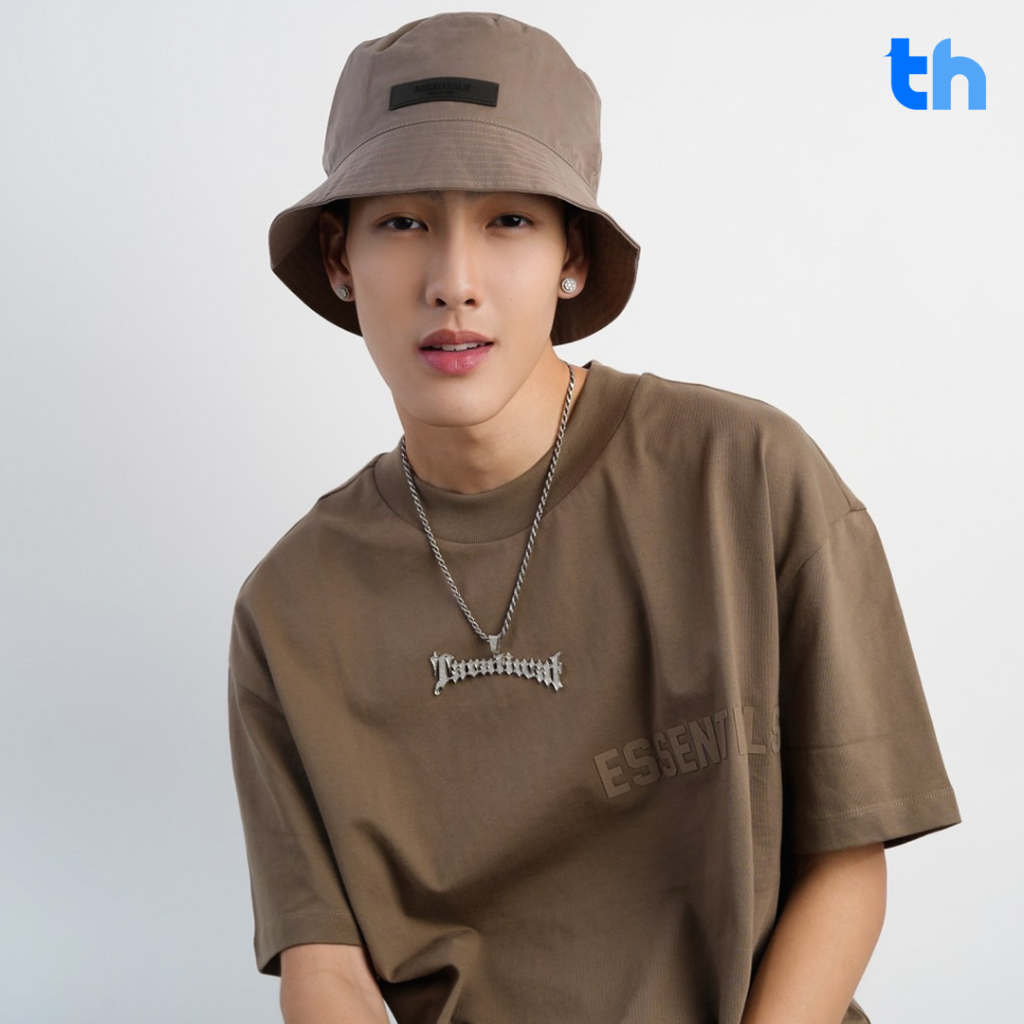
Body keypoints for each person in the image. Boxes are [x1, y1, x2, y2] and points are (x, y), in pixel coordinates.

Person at [227, 12, 962, 1024]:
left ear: (572, 255)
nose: (453, 283)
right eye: (401, 222)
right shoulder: (291, 606)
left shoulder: (747, 477)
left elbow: (845, 863)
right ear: (339, 255)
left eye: (507, 221)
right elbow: (326, 968)